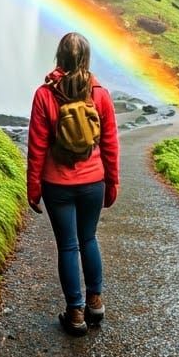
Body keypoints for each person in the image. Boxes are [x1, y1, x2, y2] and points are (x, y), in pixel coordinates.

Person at [26, 31, 120, 336]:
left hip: (58, 184)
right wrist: (113, 183)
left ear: (59, 58)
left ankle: (75, 313)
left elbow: (37, 146)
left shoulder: (44, 95)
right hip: (94, 181)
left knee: (68, 245)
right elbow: (110, 145)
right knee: (89, 239)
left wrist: (33, 188)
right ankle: (95, 301)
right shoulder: (100, 95)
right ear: (87, 59)